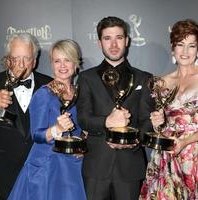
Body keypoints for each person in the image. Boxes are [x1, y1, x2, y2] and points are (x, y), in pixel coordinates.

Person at [140, 19, 198, 200]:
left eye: (191, 46)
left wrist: (186, 141)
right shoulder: (162, 82)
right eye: (180, 44)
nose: (185, 51)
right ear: (173, 47)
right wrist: (158, 122)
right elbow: (163, 125)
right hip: (170, 153)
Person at [77, 16, 154, 200]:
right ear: (99, 42)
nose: (113, 44)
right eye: (107, 38)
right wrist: (107, 121)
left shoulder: (144, 78)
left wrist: (133, 141)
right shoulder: (86, 78)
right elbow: (83, 118)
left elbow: (147, 121)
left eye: (119, 37)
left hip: (130, 166)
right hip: (96, 167)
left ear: (127, 40)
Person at [8, 39, 87, 200]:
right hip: (47, 168)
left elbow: (83, 128)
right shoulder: (43, 94)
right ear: (51, 64)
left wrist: (83, 144)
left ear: (75, 64)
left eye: (67, 60)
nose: (62, 66)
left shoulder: (81, 94)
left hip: (73, 165)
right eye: (57, 61)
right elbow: (36, 135)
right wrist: (57, 128)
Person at [0, 33, 52, 200]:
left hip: (41, 167)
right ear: (7, 60)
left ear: (35, 61)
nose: (21, 65)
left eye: (26, 59)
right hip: (6, 168)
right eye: (15, 59)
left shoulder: (49, 85)